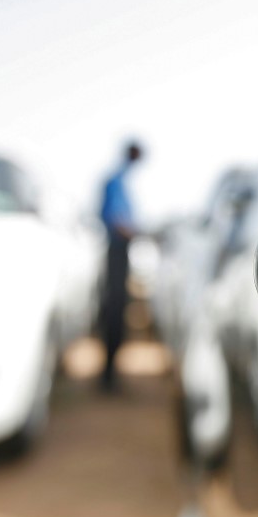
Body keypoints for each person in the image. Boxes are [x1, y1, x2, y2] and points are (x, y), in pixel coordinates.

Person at [98, 141, 143, 390]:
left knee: (116, 310)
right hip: (117, 251)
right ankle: (108, 377)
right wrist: (138, 234)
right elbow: (118, 221)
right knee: (115, 311)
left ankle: (110, 373)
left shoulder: (120, 179)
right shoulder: (117, 180)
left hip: (119, 250)